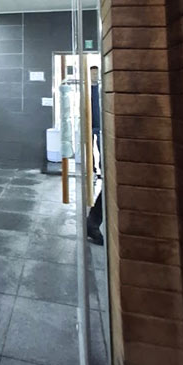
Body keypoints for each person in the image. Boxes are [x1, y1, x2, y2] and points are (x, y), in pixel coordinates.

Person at [87, 65, 104, 246]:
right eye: (92, 73)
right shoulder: (88, 89)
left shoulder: (103, 87)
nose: (94, 75)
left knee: (100, 149)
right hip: (92, 125)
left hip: (102, 126)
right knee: (91, 150)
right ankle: (93, 169)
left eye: (96, 73)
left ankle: (92, 222)